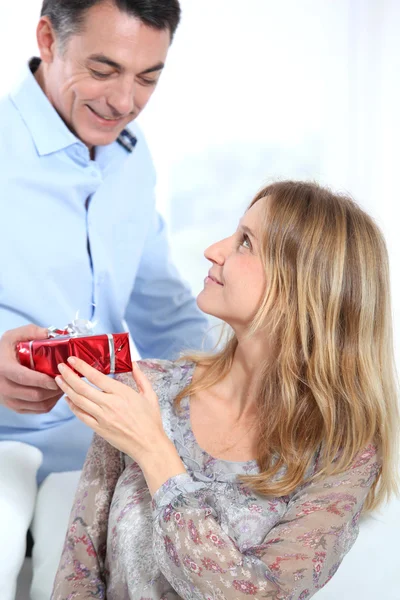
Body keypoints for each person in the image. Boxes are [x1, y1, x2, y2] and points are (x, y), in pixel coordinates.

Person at [51, 180, 399, 599]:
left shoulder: (345, 453)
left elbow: (258, 595)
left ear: (304, 285)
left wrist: (154, 452)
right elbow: (78, 572)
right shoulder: (144, 389)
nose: (214, 250)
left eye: (246, 243)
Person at [0, 0, 210, 597]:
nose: (125, 101)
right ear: (47, 37)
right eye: (103, 69)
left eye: (148, 77)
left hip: (101, 452)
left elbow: (164, 309)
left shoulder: (131, 158)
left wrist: (256, 380)